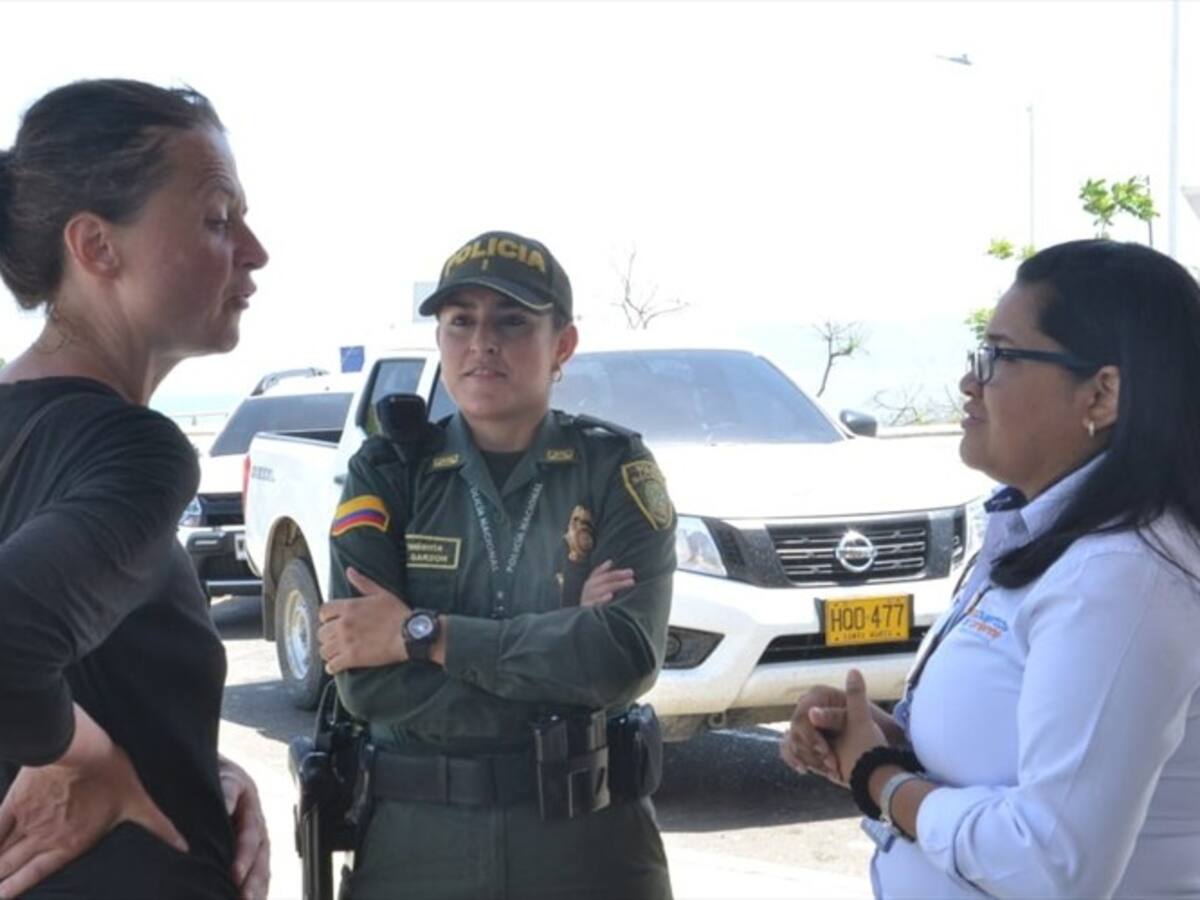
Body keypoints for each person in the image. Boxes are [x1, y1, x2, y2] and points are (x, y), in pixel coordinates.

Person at [781, 238, 1200, 898]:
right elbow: (1002, 750)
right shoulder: (1046, 535)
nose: (969, 382)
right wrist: (874, 739)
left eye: (998, 357)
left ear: (1102, 394)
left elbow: (1052, 865)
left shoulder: (1120, 577)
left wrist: (882, 780)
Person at [316, 229, 676, 900]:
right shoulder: (389, 472)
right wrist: (561, 639)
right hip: (418, 847)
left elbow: (623, 656)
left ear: (561, 346)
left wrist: (421, 636)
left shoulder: (613, 470)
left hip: (589, 848)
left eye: (512, 321)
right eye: (460, 322)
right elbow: (364, 684)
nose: (482, 341)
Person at [0, 79, 271, 899]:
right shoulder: (138, 450)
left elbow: (90, 669)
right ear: (97, 247)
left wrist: (188, 755)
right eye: (218, 219)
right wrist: (96, 763)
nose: (255, 251)